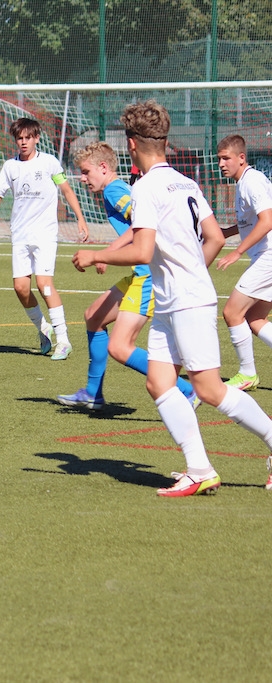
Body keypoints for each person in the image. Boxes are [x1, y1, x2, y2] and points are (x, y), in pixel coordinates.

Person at [73, 100, 272, 496]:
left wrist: (96, 255)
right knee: (160, 383)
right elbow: (214, 237)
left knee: (209, 389)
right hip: (174, 299)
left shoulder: (145, 188)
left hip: (185, 300)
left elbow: (142, 250)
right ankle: (199, 470)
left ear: (132, 144)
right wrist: (192, 272)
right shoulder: (186, 182)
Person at [57, 142, 197, 410]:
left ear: (103, 167)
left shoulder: (114, 191)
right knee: (94, 316)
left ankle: (188, 390)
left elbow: (142, 223)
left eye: (86, 172)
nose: (82, 178)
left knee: (120, 347)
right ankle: (93, 393)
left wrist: (104, 254)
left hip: (148, 275)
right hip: (140, 273)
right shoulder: (115, 189)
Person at [0, 117, 89, 360]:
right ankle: (43, 328)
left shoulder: (49, 163)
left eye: (28, 137)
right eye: (19, 138)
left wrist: (80, 218)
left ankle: (63, 341)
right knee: (21, 288)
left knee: (44, 284)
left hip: (45, 234)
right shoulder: (10, 167)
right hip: (20, 235)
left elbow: (66, 190)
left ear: (36, 138)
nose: (23, 142)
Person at [213, 134, 272, 391]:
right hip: (265, 256)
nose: (221, 164)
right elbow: (250, 221)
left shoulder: (252, 182)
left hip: (268, 256)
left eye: (226, 158)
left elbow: (267, 221)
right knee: (255, 318)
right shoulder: (244, 182)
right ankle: (248, 374)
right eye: (219, 159)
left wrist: (236, 252)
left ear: (241, 158)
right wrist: (223, 233)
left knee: (232, 312)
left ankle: (247, 374)